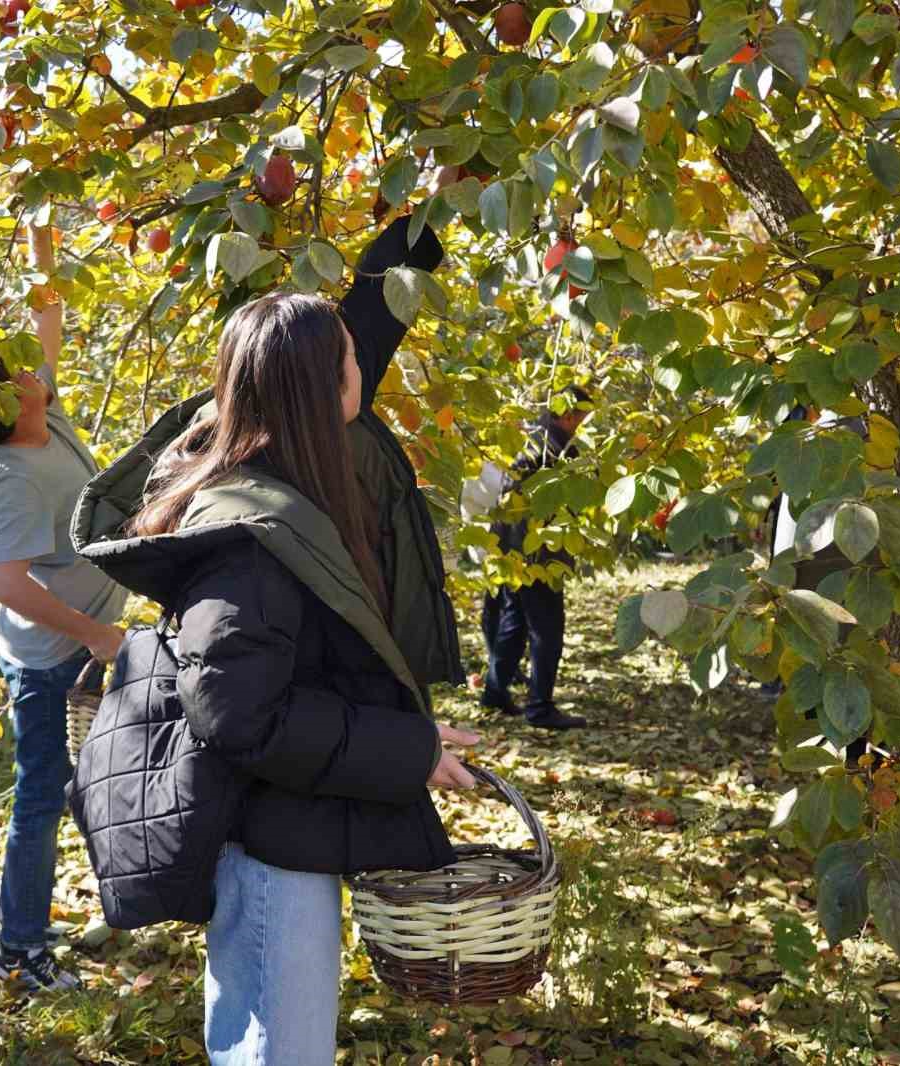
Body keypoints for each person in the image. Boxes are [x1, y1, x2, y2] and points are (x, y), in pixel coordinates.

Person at [82, 291, 481, 1066]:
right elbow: (240, 716)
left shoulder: (284, 500)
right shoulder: (251, 538)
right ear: (326, 388)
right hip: (271, 845)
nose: (363, 365)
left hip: (288, 824)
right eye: (352, 358)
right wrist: (407, 749)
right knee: (279, 1051)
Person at [0, 214, 127, 993]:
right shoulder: (14, 478)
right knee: (41, 795)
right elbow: (5, 583)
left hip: (73, 648)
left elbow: (45, 317)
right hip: (47, 659)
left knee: (59, 790)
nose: (34, 363)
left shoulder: (41, 410)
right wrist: (95, 633)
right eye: (19, 369)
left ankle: (16, 902)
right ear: (7, 398)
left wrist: (42, 238)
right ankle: (17, 947)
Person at [479, 386, 593, 730]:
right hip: (538, 553)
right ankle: (540, 707)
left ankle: (496, 691)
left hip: (511, 549)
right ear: (569, 414)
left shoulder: (531, 435)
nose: (582, 425)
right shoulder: (555, 446)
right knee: (547, 629)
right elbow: (575, 493)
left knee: (515, 620)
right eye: (582, 418)